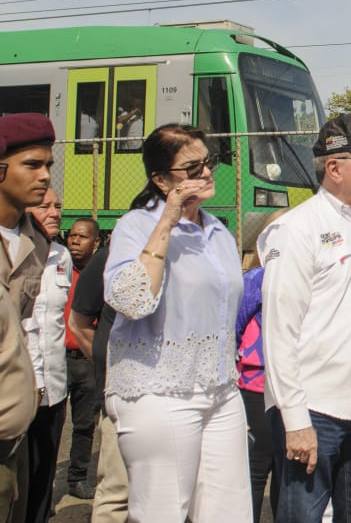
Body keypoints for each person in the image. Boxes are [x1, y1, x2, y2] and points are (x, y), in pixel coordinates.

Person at [103, 124, 251, 522]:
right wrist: (167, 219)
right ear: (160, 178)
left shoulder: (218, 230)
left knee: (230, 512)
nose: (206, 173)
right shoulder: (136, 226)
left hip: (219, 387)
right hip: (159, 389)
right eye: (192, 167)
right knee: (162, 512)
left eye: (209, 162)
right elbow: (131, 300)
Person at [259, 113, 351, 522]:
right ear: (335, 168)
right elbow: (279, 332)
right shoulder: (297, 229)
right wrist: (295, 419)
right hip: (316, 410)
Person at [0, 112, 55, 523]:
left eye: (48, 165)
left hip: (14, 433)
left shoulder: (34, 239)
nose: (45, 176)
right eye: (32, 164)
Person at [67, 241, 129, 523]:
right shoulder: (110, 257)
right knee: (118, 492)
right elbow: (78, 322)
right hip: (122, 402)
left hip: (180, 404)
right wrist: (108, 365)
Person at [236, 209, 289, 523]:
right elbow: (236, 326)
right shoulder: (255, 279)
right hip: (257, 384)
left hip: (297, 384)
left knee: (289, 470)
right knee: (257, 466)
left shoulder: (312, 276)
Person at [24, 189, 71, 523]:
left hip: (55, 389)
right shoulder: (13, 255)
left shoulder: (61, 258)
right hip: (20, 391)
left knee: (43, 479)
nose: (54, 212)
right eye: (44, 206)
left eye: (57, 206)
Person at [62, 217, 102, 500]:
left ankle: (76, 478)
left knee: (84, 424)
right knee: (45, 424)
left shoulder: (102, 275)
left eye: (82, 237)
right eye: (72, 236)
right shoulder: (57, 269)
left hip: (85, 360)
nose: (75, 241)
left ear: (96, 242)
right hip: (56, 358)